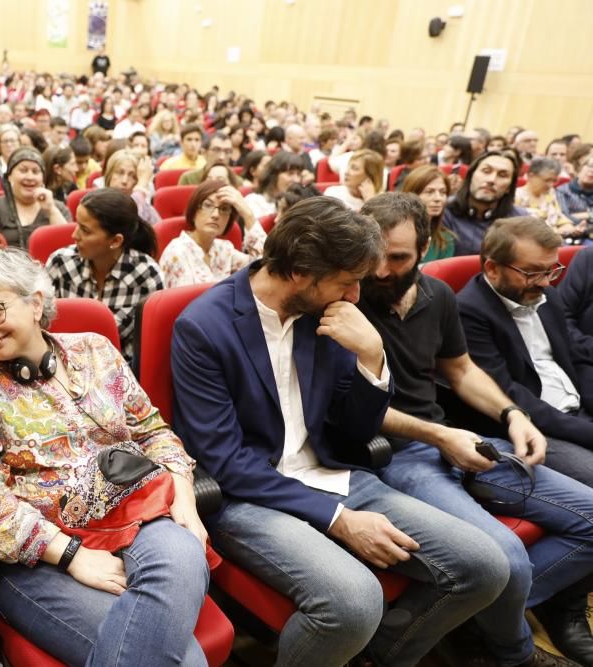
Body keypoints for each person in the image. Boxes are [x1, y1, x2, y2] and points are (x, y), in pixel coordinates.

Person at [171, 196, 509, 667]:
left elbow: (354, 432)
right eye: (347, 283)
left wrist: (373, 359)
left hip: (334, 472)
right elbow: (226, 462)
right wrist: (337, 519)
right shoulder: (204, 327)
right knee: (353, 601)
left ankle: (376, 656)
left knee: (486, 567)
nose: (355, 296)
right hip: (248, 495)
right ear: (299, 273)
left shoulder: (327, 315)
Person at [357, 193, 593, 667]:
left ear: (425, 249)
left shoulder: (436, 296)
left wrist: (513, 415)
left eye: (398, 257)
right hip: (393, 454)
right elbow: (348, 410)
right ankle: (515, 653)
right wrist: (441, 436)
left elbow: (462, 370)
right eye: (373, 255)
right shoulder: (347, 298)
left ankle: (466, 621)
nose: (381, 269)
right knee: (502, 556)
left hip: (448, 440)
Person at [0, 244, 210, 665]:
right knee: (188, 661)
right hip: (36, 554)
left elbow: (152, 432)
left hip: (136, 511)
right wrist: (71, 555)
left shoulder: (95, 349)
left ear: (34, 303)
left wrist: (185, 496)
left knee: (184, 554)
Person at [457, 216, 593, 490]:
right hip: (532, 427)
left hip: (576, 413)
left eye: (551, 270)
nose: (545, 282)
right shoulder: (468, 311)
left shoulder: (546, 295)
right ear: (493, 269)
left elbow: (574, 360)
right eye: (532, 272)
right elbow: (509, 394)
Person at [46, 188, 162, 360]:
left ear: (115, 241)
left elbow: (142, 350)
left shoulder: (146, 274)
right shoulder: (60, 263)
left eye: (85, 230)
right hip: (62, 364)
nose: (74, 235)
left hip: (118, 369)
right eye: (77, 224)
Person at [159, 179, 252, 287]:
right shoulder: (177, 252)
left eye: (224, 209)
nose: (216, 215)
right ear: (194, 212)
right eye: (208, 205)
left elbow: (263, 267)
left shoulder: (224, 249)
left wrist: (248, 214)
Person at [444, 150, 527, 256]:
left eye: (502, 175)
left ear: (509, 188)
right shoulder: (443, 211)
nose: (491, 180)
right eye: (486, 171)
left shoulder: (519, 220)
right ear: (471, 176)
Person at [0, 146, 71, 249]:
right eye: (23, 170)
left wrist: (51, 210)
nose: (30, 177)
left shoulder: (59, 208)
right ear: (9, 176)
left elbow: (68, 249)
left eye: (35, 172)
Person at [401, 165, 456, 263]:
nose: (438, 198)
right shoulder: (393, 235)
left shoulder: (446, 240)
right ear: (411, 195)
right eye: (429, 192)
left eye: (443, 192)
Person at [516, 157, 575, 237]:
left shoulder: (550, 193)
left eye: (554, 181)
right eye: (547, 180)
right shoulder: (517, 196)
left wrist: (570, 228)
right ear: (531, 176)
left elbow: (560, 218)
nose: (551, 185)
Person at [101, 149, 159, 225]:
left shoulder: (145, 207)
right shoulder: (99, 204)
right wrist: (141, 186)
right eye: (120, 173)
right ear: (109, 175)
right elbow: (129, 224)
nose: (124, 181)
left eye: (132, 176)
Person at [244, 150, 305, 220]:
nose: (296, 180)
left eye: (299, 174)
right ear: (274, 175)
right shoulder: (254, 201)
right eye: (290, 173)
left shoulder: (302, 200)